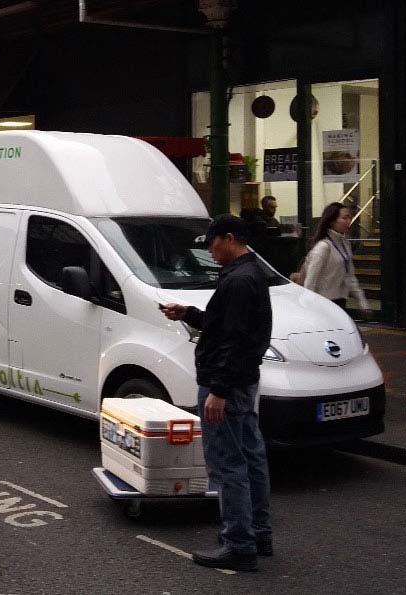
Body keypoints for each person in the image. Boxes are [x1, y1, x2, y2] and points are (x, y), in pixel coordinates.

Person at [160, 214, 273, 572]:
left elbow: (234, 339)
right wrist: (190, 313)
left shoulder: (239, 280)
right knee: (251, 456)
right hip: (243, 380)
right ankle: (258, 533)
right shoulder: (250, 274)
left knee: (227, 464)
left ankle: (239, 544)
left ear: (228, 238)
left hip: (227, 383)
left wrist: (219, 391)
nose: (210, 250)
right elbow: (226, 324)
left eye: (212, 243)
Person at [302, 202, 371, 316]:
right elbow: (310, 281)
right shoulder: (323, 247)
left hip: (340, 300)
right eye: (344, 218)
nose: (348, 221)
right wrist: (308, 308)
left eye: (350, 217)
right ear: (332, 221)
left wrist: (361, 299)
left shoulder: (345, 244)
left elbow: (350, 275)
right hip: (324, 303)